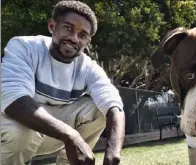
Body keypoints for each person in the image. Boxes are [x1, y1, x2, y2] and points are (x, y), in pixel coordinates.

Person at [1, 1, 125, 165]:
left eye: (82, 35)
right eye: (68, 28)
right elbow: (14, 102)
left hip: (51, 135)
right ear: (52, 26)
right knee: (22, 131)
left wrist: (113, 152)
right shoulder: (24, 47)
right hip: (12, 130)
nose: (74, 38)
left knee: (99, 110)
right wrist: (70, 135)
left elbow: (114, 107)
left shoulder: (87, 67)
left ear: (88, 41)